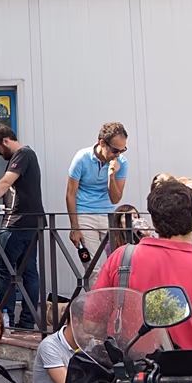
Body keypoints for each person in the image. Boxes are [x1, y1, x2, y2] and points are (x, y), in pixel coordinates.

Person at [91, 181, 192, 369]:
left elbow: (91, 323)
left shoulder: (122, 258)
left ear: (153, 221)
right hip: (191, 375)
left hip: (133, 373)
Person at [0, 124, 43, 330]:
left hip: (17, 223)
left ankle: (5, 318)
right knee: (28, 270)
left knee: (4, 267)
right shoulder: (29, 155)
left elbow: (7, 182)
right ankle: (28, 320)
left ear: (6, 141)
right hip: (33, 222)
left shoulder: (21, 154)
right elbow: (19, 188)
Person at [66, 122, 129, 289]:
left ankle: (116, 306)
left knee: (119, 266)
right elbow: (70, 193)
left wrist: (111, 176)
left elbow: (115, 199)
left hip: (109, 215)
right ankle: (97, 310)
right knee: (92, 268)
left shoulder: (121, 163)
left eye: (122, 150)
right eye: (115, 150)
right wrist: (75, 227)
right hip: (85, 215)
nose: (118, 154)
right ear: (102, 143)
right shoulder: (82, 158)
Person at [33, 302, 78, 383]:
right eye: (89, 331)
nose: (92, 336)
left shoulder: (89, 343)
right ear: (75, 322)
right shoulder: (49, 346)